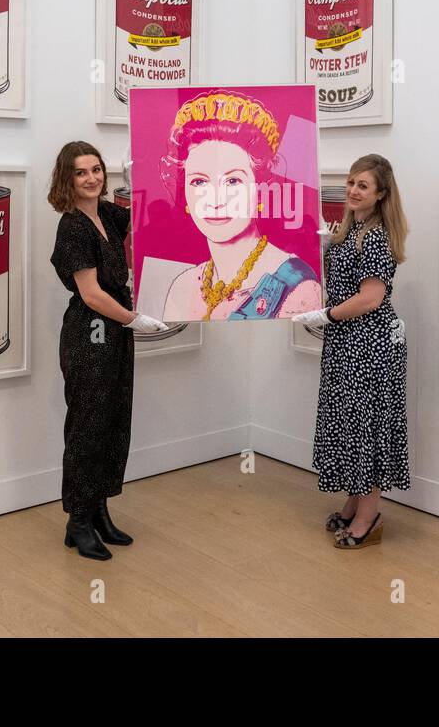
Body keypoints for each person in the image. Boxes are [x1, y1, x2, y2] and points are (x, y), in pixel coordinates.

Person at [48, 141, 168, 560]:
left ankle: (98, 511)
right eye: (81, 172)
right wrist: (133, 318)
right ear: (67, 178)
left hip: (114, 331)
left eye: (97, 169)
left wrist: (139, 185)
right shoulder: (73, 227)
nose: (92, 178)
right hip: (91, 332)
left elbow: (148, 221)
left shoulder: (104, 215)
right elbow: (92, 294)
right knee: (87, 428)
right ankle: (77, 521)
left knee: (113, 420)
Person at [292, 154, 410, 548]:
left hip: (370, 344)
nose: (353, 190)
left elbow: (370, 299)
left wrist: (326, 314)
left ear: (380, 195)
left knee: (367, 428)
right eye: (351, 182)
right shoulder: (349, 231)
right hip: (347, 342)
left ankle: (369, 516)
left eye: (363, 185)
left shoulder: (377, 236)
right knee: (349, 422)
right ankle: (355, 502)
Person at [157, 90, 322, 321]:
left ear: (261, 187)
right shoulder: (182, 286)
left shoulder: (296, 285)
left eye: (233, 180)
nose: (215, 199)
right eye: (199, 181)